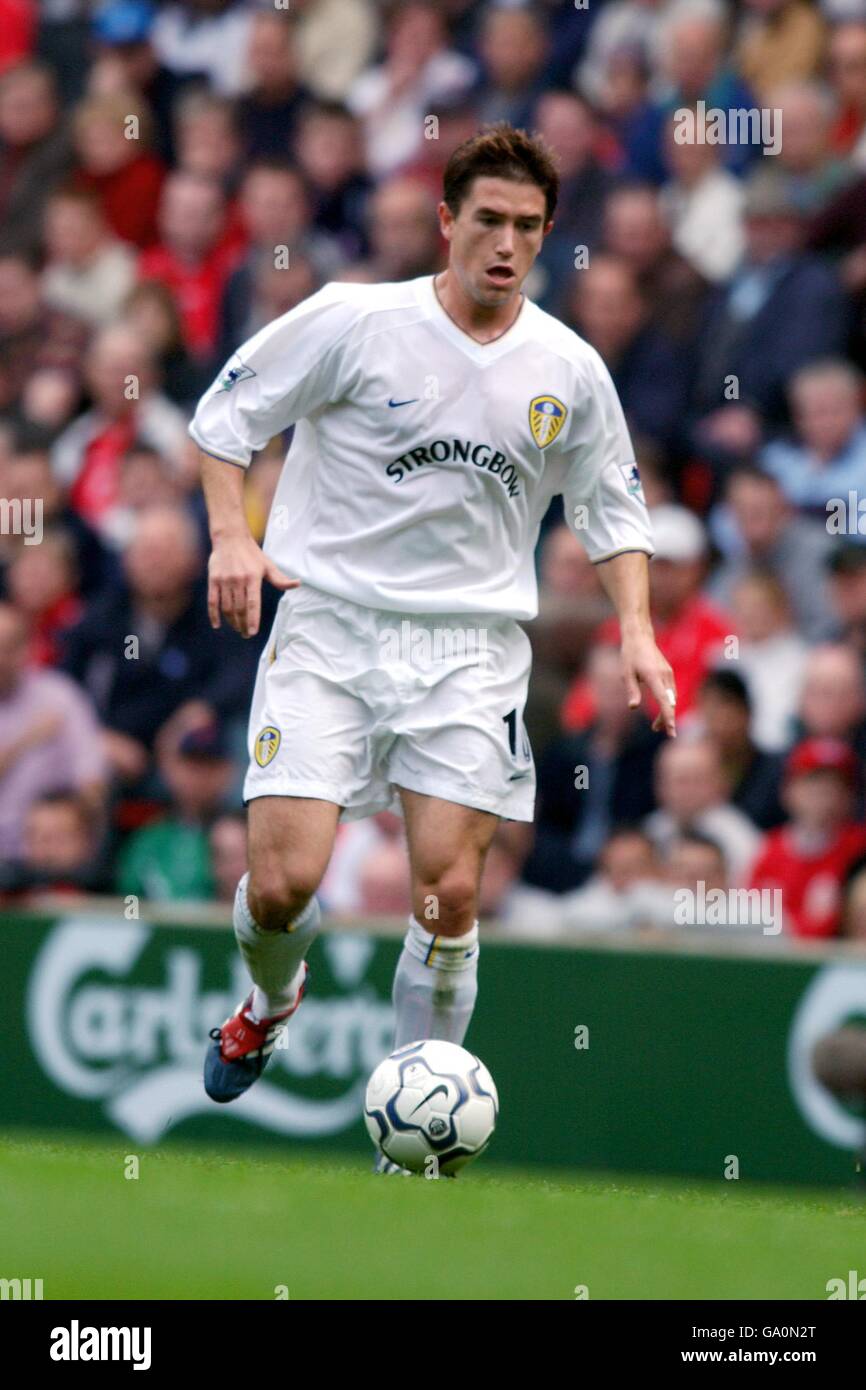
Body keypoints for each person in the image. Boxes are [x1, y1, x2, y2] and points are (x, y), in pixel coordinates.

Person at [189, 123, 677, 1155]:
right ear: (446, 222)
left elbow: (613, 512)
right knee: (283, 882)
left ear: (545, 236)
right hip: (327, 627)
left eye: (528, 227)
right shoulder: (354, 321)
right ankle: (270, 1002)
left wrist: (637, 631)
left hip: (468, 651)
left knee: (448, 893)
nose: (505, 243)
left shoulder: (569, 369)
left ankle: (407, 1136)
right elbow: (223, 419)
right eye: (488, 220)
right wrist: (233, 536)